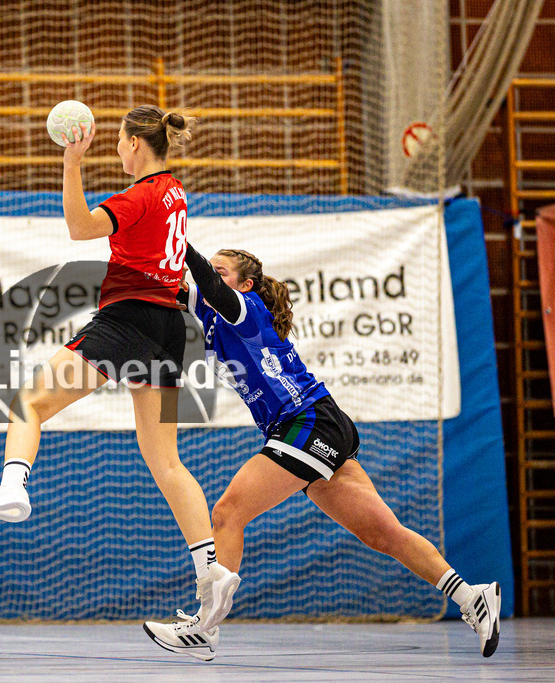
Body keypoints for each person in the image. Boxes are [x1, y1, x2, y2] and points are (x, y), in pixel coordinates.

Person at [0, 105, 240, 632]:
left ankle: (14, 487)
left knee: (28, 404)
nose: (117, 149)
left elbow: (80, 228)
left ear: (133, 144)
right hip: (170, 328)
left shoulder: (139, 195)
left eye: (120, 141)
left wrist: (71, 162)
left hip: (128, 319)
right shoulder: (175, 192)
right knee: (165, 460)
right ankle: (210, 570)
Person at [142, 244, 500, 661]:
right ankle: (472, 596)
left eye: (222, 272)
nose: (213, 278)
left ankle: (206, 627)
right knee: (383, 534)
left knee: (225, 514)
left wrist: (178, 239)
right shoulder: (210, 314)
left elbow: (205, 283)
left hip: (306, 422)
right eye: (214, 271)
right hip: (312, 426)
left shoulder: (246, 308)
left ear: (246, 284)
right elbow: (170, 287)